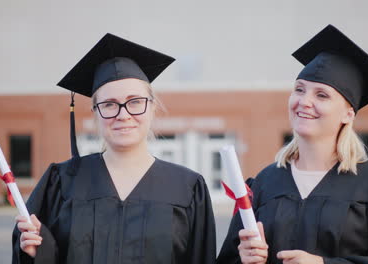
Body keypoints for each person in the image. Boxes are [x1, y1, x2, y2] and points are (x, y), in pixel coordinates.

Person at [217, 25, 368, 264]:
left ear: (348, 115)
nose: (304, 102)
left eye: (322, 95)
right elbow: (227, 259)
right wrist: (245, 259)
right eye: (299, 90)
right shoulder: (264, 184)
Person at [12, 33, 216, 264]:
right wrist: (35, 254)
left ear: (152, 107)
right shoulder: (60, 183)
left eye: (135, 102)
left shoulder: (187, 188)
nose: (123, 115)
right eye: (109, 105)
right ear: (95, 113)